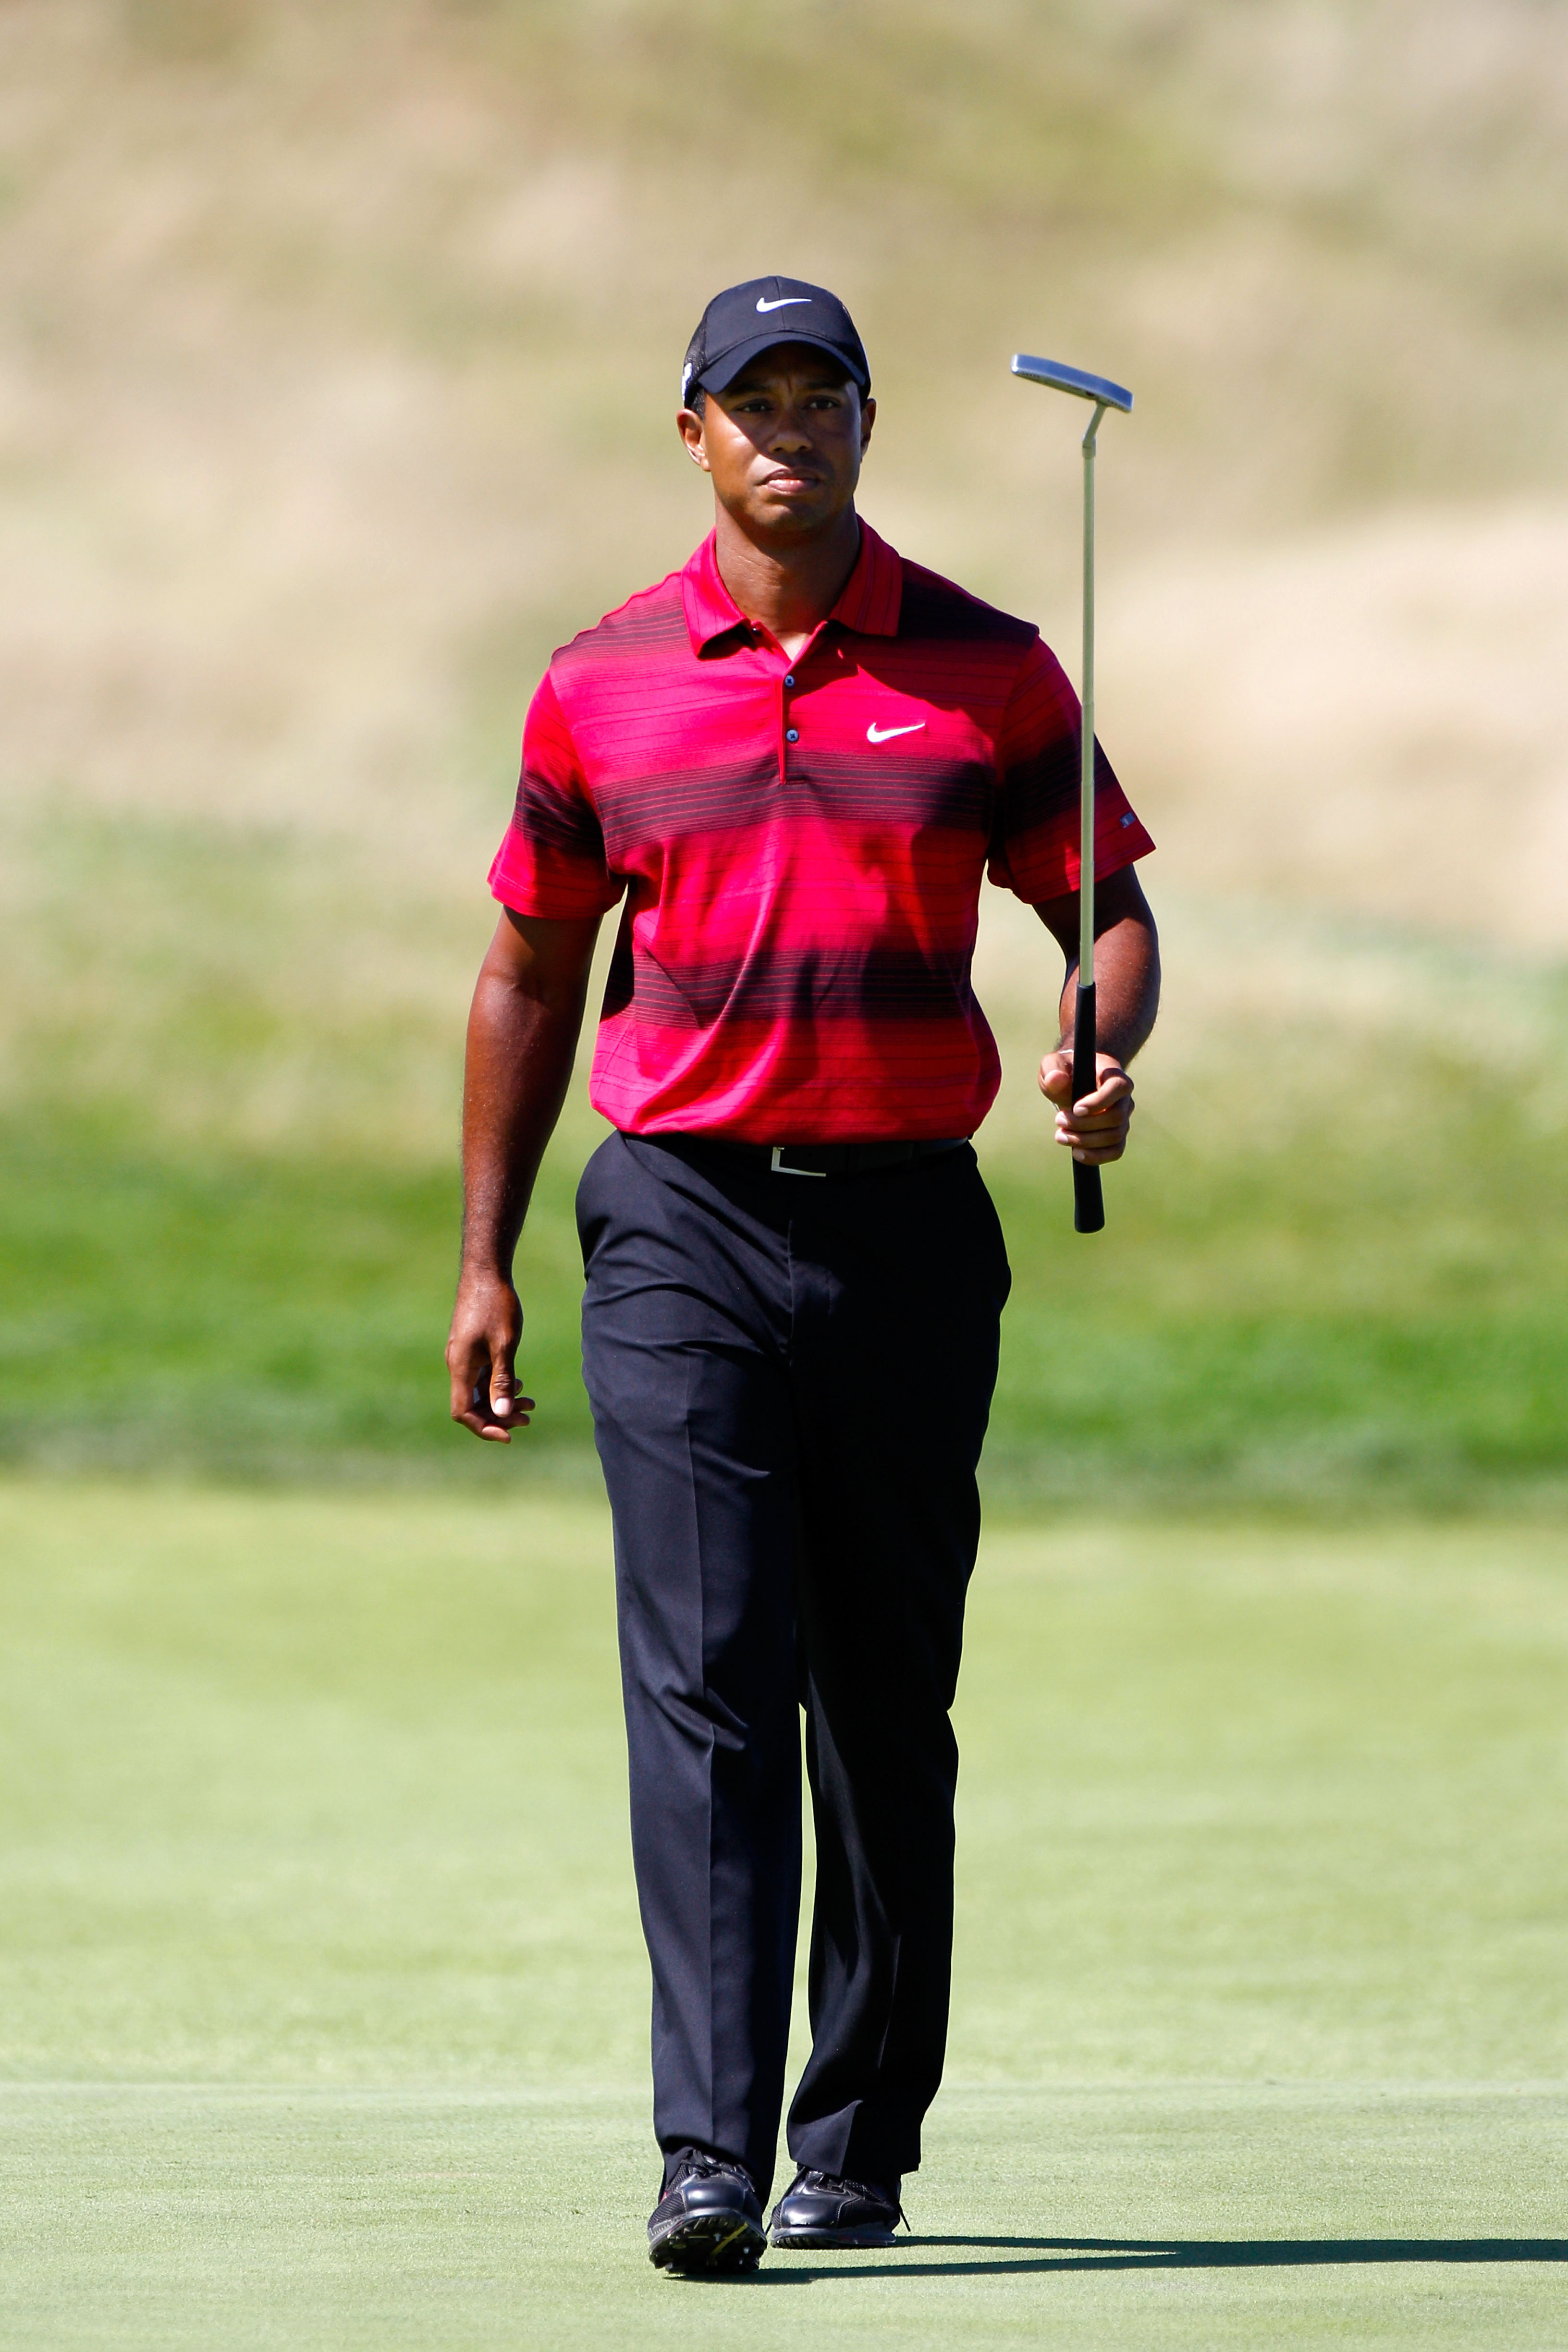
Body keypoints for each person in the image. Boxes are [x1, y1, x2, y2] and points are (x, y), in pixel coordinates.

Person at [445, 276, 1160, 2275]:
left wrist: (1107, 1051)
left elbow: (1102, 906)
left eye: (817, 395)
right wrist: (486, 1255)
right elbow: (526, 969)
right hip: (675, 1216)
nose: (785, 428)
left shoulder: (986, 669)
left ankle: (857, 2137)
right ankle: (707, 2155)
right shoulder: (600, 681)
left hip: (909, 1231)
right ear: (690, 434)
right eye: (746, 400)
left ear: (866, 422)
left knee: (884, 1704)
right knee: (708, 1684)